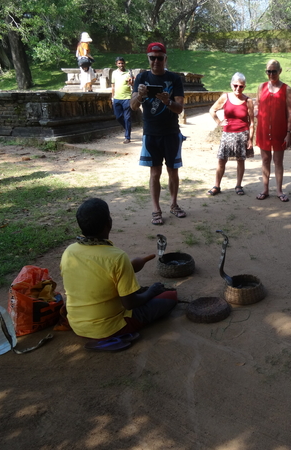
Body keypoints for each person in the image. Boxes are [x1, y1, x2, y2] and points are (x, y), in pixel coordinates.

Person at [60, 198, 177, 340]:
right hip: (109, 328)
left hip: (77, 325)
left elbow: (96, 274)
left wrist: (129, 267)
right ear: (109, 223)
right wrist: (151, 291)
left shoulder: (69, 252)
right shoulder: (117, 257)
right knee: (170, 296)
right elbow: (130, 304)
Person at [130, 42, 186, 224]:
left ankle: (174, 204)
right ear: (148, 59)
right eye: (152, 58)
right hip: (151, 133)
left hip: (171, 132)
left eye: (159, 58)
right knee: (155, 172)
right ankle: (156, 209)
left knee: (173, 171)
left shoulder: (174, 79)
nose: (156, 62)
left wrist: (168, 101)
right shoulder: (141, 78)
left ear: (165, 59)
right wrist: (140, 96)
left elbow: (179, 108)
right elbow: (132, 106)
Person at [208, 72, 255, 196]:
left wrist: (250, 139)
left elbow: (251, 122)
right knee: (221, 160)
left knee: (241, 160)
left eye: (241, 86)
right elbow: (212, 110)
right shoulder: (225, 97)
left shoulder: (248, 100)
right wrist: (219, 122)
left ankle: (238, 185)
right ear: (231, 85)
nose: (237, 88)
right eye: (235, 85)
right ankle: (216, 186)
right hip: (227, 133)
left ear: (244, 87)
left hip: (242, 134)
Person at [256, 59, 291, 202]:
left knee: (278, 161)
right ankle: (265, 189)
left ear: (280, 71)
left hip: (280, 130)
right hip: (264, 130)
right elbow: (258, 107)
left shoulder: (286, 89)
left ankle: (279, 190)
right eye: (268, 71)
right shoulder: (261, 87)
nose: (271, 74)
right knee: (265, 160)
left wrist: (289, 133)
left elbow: (289, 113)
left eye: (274, 71)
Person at [111, 57, 134, 144]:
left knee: (127, 117)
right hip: (117, 98)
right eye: (119, 63)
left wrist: (131, 81)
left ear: (124, 64)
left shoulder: (128, 73)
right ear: (116, 64)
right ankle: (127, 128)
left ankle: (127, 137)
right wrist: (112, 97)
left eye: (122, 63)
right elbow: (113, 86)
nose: (121, 65)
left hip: (127, 97)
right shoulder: (114, 73)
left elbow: (132, 84)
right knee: (118, 117)